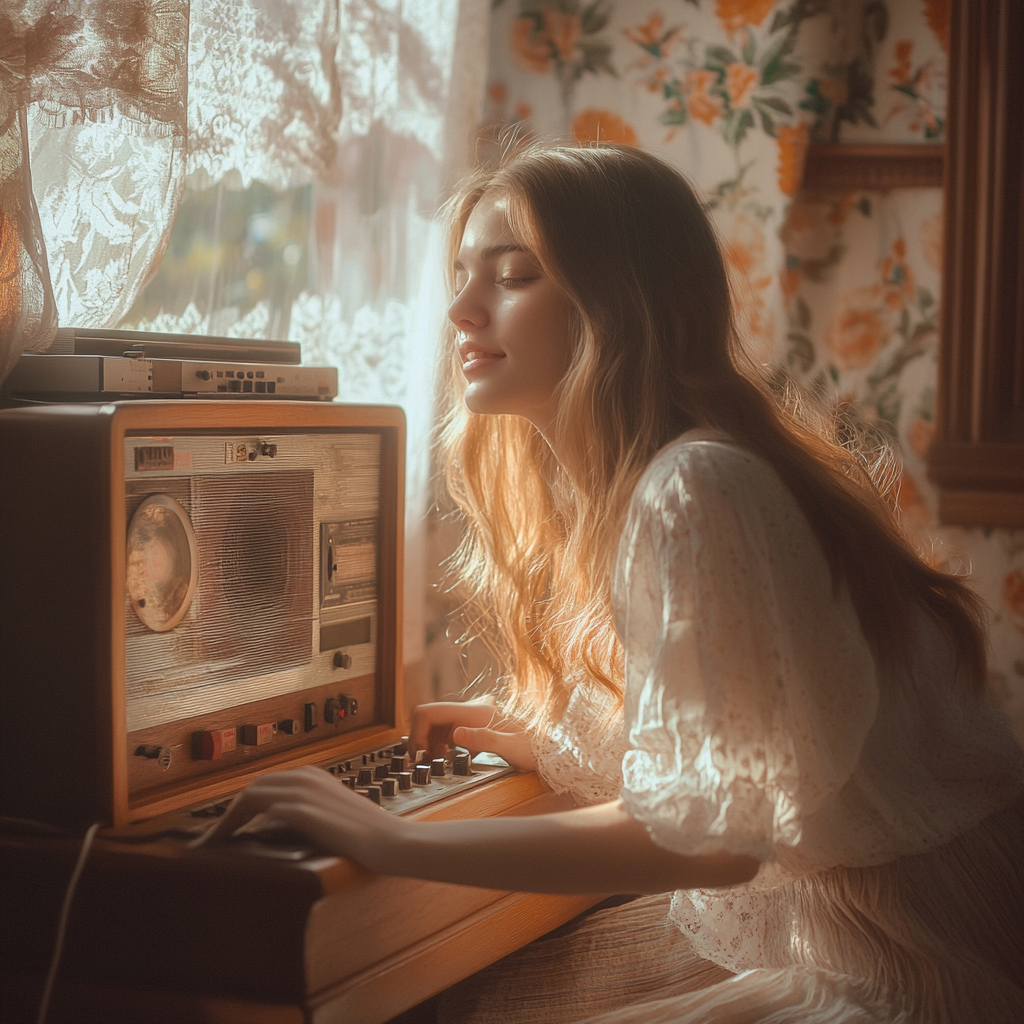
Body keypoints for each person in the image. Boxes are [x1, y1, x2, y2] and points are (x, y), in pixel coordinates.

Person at [199, 145, 1024, 1023]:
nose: (460, 310)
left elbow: (713, 846)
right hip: (885, 916)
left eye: (513, 276)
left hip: (894, 963)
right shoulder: (686, 473)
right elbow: (771, 757)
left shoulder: (694, 487)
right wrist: (555, 742)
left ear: (620, 305)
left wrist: (389, 838)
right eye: (462, 274)